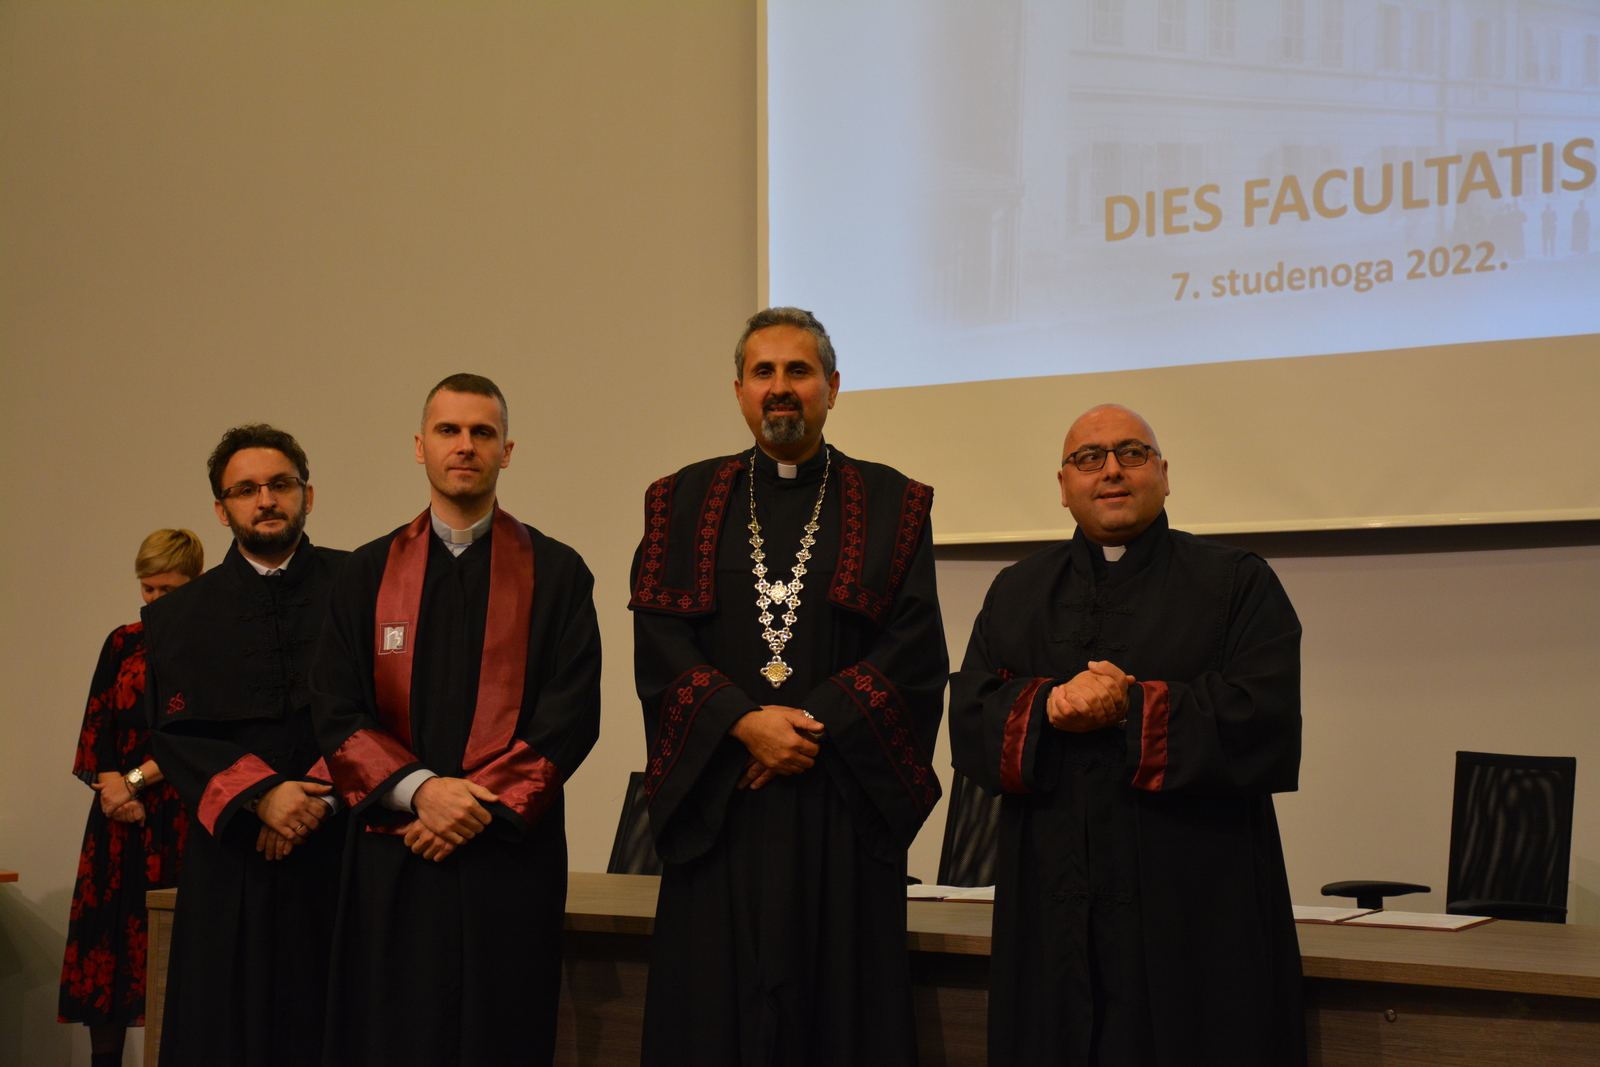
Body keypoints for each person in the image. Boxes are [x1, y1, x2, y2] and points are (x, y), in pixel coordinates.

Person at [631, 307, 947, 1067]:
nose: (780, 387)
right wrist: (742, 723)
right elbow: (659, 639)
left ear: (832, 388)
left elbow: (912, 649)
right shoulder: (679, 500)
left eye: (799, 371)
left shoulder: (893, 503)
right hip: (722, 806)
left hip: (837, 806)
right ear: (739, 389)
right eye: (763, 372)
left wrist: (805, 725)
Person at [947, 404, 1305, 1067]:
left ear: (1163, 475)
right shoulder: (1016, 590)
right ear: (1063, 486)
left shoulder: (1236, 582)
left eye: (1131, 453)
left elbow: (1265, 714)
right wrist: (1049, 704)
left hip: (1192, 910)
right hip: (1053, 906)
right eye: (1089, 458)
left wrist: (1129, 707)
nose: (1111, 470)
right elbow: (971, 714)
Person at [311, 373, 601, 1067]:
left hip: (506, 857)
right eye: (448, 430)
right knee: (393, 1034)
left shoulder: (558, 572)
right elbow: (336, 708)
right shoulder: (365, 573)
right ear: (420, 446)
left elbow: (571, 713)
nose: (465, 445)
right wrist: (422, 792)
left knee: (504, 1032)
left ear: (507, 451)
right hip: (394, 848)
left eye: (482, 432)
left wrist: (472, 806)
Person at [143, 425, 348, 1066]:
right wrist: (263, 798)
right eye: (246, 489)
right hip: (231, 855)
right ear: (221, 508)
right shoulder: (176, 615)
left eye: (280, 484)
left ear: (307, 494)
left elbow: (388, 708)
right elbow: (173, 734)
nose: (265, 500)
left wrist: (312, 800)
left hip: (340, 849)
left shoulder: (363, 585)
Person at [59, 529, 202, 1067]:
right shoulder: (122, 641)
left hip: (181, 815)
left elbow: (199, 737)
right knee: (108, 948)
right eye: (149, 589)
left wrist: (135, 781)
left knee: (175, 954)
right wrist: (113, 790)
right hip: (117, 819)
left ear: (196, 582)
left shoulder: (210, 644)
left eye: (170, 589)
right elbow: (96, 724)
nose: (156, 600)